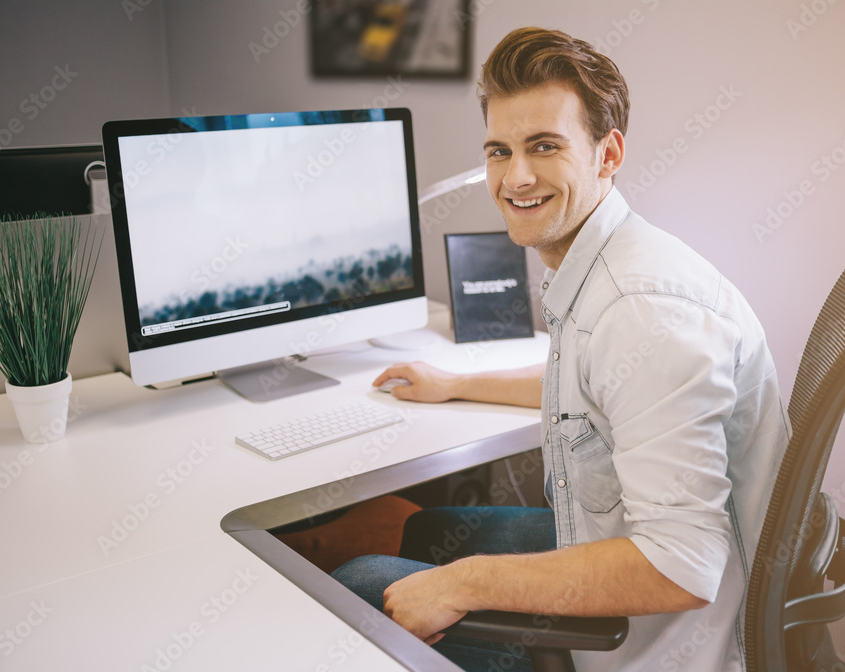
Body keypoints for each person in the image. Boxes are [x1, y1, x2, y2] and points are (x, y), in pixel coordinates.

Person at [332, 26, 788, 672]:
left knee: (356, 582)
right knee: (427, 531)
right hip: (641, 556)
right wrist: (455, 383)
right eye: (499, 151)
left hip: (669, 639)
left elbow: (680, 567)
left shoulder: (641, 313)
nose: (515, 177)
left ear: (608, 154)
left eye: (544, 147)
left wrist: (465, 584)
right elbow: (592, 382)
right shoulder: (605, 261)